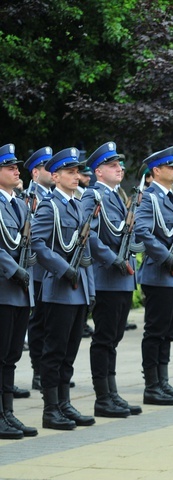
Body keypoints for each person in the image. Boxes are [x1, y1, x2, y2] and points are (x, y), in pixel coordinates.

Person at [31, 147, 97, 430]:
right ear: (55, 176)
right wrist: (63, 269)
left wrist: (90, 290)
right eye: (69, 172)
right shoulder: (49, 205)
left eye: (76, 171)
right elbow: (37, 244)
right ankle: (51, 409)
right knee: (54, 351)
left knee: (69, 351)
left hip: (78, 288)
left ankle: (64, 403)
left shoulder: (77, 204)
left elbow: (85, 254)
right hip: (59, 287)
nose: (75, 176)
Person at [81, 142, 139, 418]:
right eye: (114, 166)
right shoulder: (93, 196)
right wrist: (111, 258)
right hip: (106, 277)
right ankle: (103, 397)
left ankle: (112, 393)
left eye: (120, 165)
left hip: (123, 277)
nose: (120, 169)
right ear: (99, 171)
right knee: (104, 338)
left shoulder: (117, 196)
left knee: (114, 338)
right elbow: (89, 235)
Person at [134, 147, 173, 406]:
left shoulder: (171, 196)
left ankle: (163, 381)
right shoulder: (149, 197)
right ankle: (152, 385)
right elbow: (143, 231)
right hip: (159, 273)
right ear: (156, 171)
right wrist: (163, 256)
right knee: (156, 331)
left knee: (169, 331)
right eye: (171, 167)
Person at [0, 144, 36, 438]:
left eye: (16, 167)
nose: (16, 171)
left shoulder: (21, 204)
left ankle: (8, 413)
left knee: (11, 356)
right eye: (10, 167)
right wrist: (13, 270)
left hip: (21, 291)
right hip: (4, 289)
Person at [24, 147, 54, 392]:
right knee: (39, 322)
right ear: (36, 172)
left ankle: (46, 369)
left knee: (50, 322)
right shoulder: (29, 197)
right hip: (36, 269)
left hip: (52, 268)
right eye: (47, 167)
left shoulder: (54, 195)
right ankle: (37, 370)